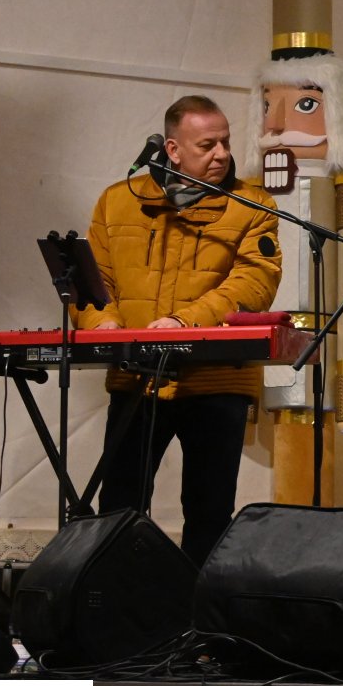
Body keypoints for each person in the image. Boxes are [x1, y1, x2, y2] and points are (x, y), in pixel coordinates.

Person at [84, 95, 281, 566]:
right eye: (207, 145)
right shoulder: (118, 201)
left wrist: (184, 322)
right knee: (118, 508)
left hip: (217, 380)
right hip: (138, 377)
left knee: (209, 512)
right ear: (172, 150)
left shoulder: (253, 204)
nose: (221, 154)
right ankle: (119, 614)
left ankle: (199, 626)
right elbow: (93, 281)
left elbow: (254, 282)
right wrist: (101, 322)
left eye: (226, 143)